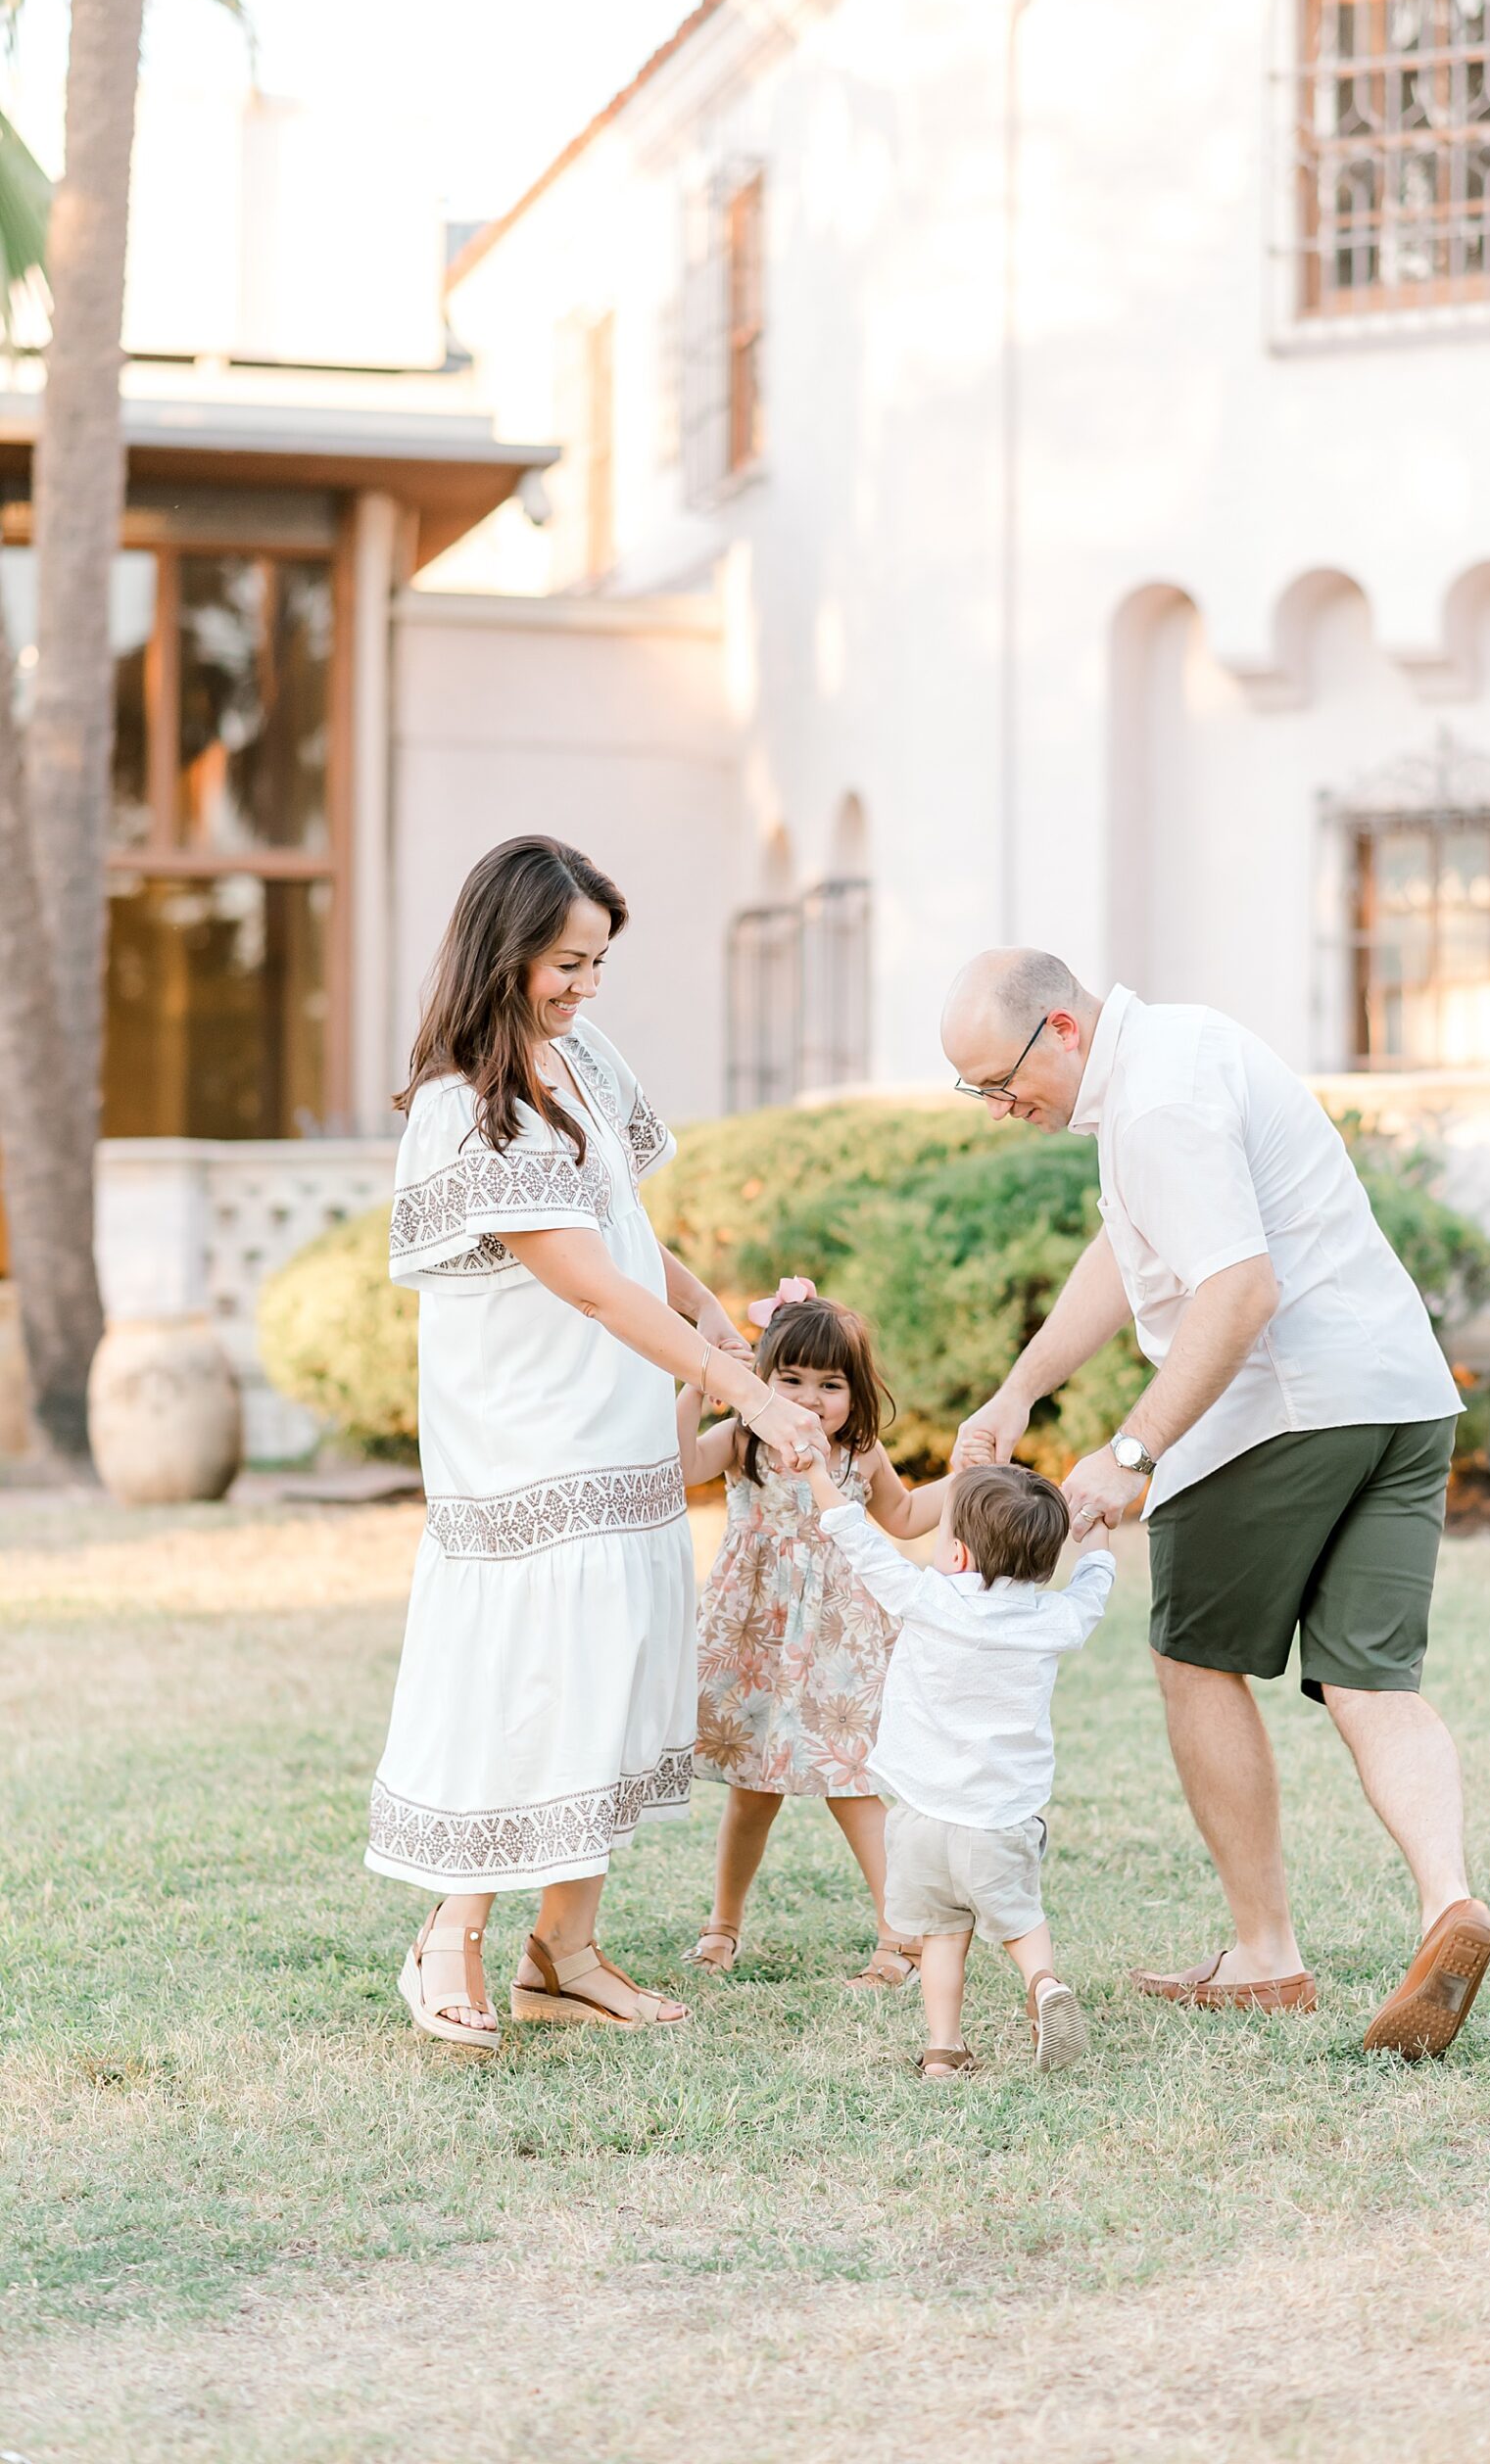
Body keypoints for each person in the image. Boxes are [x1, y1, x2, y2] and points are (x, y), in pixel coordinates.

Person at [943, 949, 1490, 2061]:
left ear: (1058, 1026)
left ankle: (1263, 1953)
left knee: (1194, 1654)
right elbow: (1131, 1245)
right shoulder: (1176, 1051)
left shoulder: (1151, 1104)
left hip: (1279, 1408)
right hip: (1396, 1393)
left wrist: (1131, 1450)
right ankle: (1449, 1903)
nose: (1003, 1109)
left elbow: (1238, 1287)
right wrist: (1020, 1387)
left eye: (1002, 1081)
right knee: (1366, 1677)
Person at [367, 835, 824, 2054]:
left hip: (617, 1424)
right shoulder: (468, 1108)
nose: (583, 984)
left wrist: (708, 1306)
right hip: (529, 1435)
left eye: (597, 961)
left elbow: (616, 1220)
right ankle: (448, 1934)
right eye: (566, 961)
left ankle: (562, 1951)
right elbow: (580, 1282)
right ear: (502, 951)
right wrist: (741, 1386)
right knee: (535, 1675)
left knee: (615, 1665)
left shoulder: (583, 1059)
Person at [802, 1455, 1114, 2077]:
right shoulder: (1050, 1618)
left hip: (919, 1820)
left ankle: (943, 2049)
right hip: (999, 1822)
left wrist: (814, 1468)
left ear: (958, 1556)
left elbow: (856, 1537)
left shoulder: (927, 1598)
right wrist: (1099, 1528)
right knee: (1020, 1921)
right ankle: (1043, 1983)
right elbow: (1095, 1586)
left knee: (942, 1937)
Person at [677, 1281, 950, 1986]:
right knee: (752, 1789)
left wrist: (969, 1474)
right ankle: (722, 1926)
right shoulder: (743, 1439)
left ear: (856, 1394)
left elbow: (908, 1516)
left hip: (837, 1632)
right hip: (758, 1632)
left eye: (829, 1383)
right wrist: (692, 1384)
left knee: (850, 1779)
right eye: (789, 1379)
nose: (807, 1398)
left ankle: (901, 1940)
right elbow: (678, 1469)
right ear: (760, 1382)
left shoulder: (859, 1455)